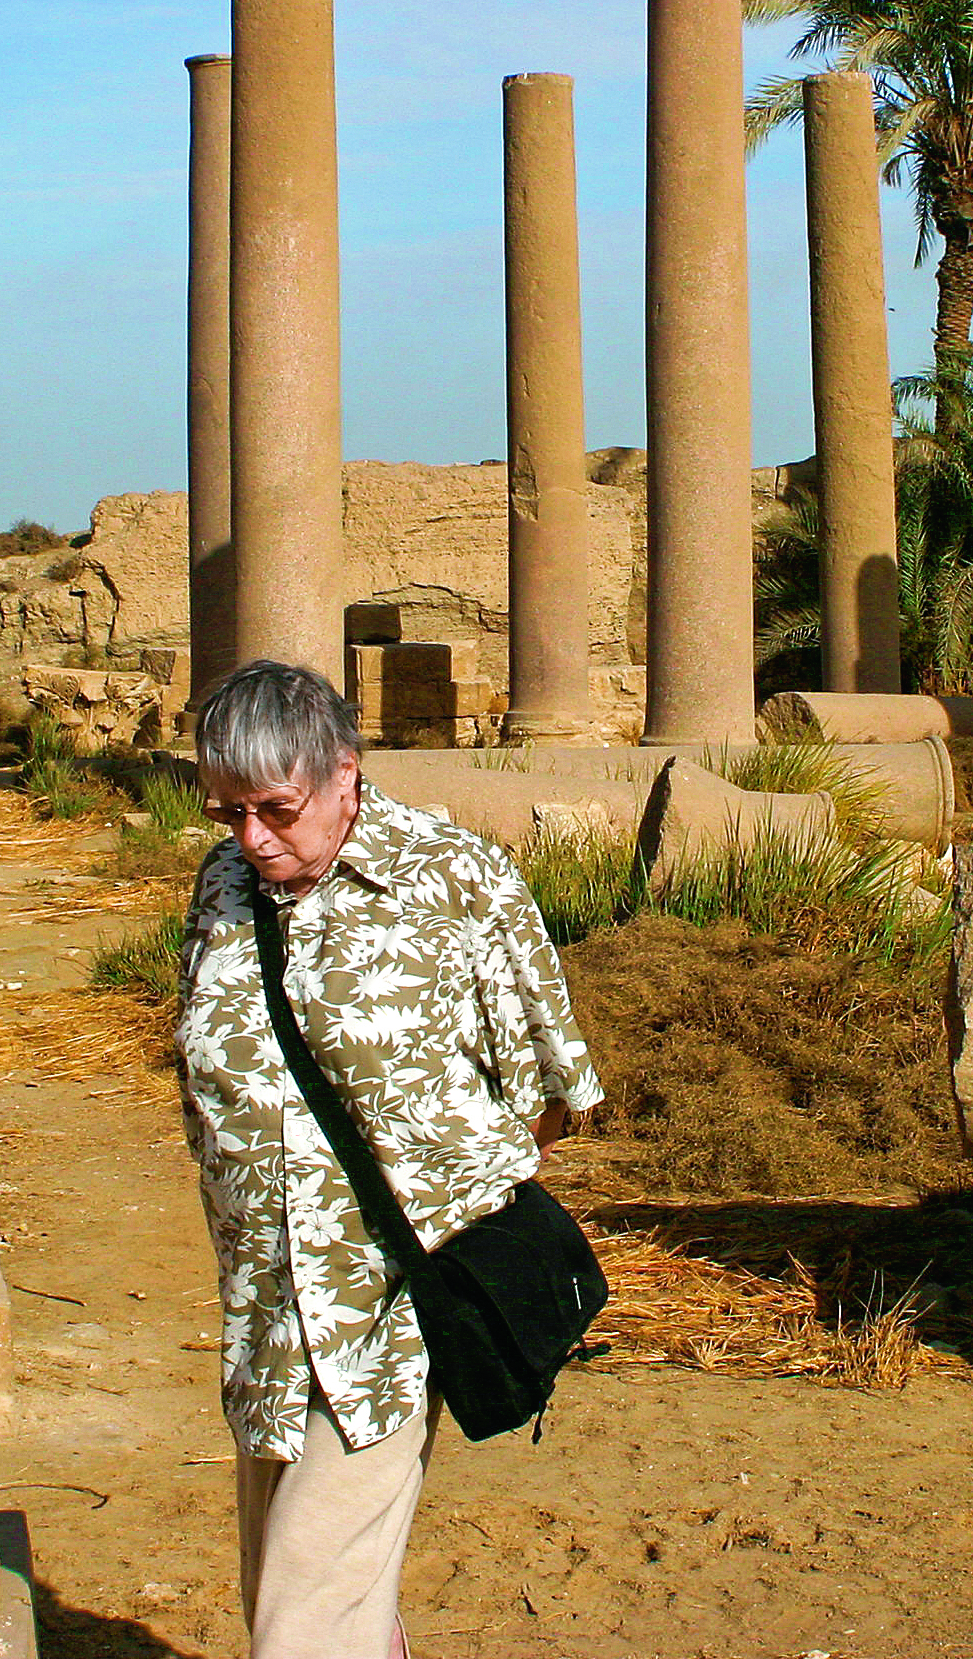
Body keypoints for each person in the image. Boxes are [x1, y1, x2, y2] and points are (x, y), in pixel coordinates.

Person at [175, 658, 604, 1659]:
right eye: (226, 811)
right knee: (287, 1590)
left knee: (301, 1622)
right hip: (264, 1309)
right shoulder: (222, 883)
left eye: (276, 808)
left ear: (345, 773)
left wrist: (437, 1197)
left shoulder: (456, 877)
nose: (251, 837)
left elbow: (550, 1085)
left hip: (391, 1310)